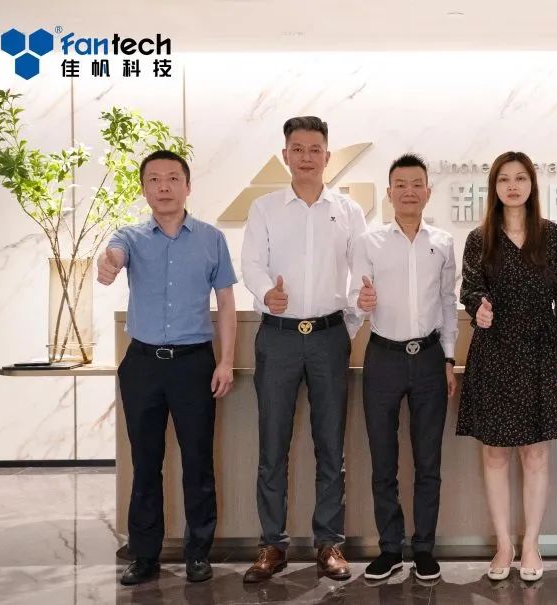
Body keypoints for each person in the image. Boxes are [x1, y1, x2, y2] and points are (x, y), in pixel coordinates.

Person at [97, 149, 237, 586]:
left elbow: (226, 303)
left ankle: (198, 554)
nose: (163, 186)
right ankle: (144, 556)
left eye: (173, 178)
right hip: (142, 365)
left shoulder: (212, 238)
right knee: (145, 463)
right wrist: (108, 263)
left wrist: (226, 361)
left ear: (187, 186)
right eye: (154, 179)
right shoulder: (130, 236)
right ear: (144, 189)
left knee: (198, 463)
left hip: (194, 364)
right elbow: (114, 256)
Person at [240, 116, 366, 582]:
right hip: (278, 337)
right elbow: (251, 262)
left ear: (327, 156)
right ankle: (272, 546)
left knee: (330, 445)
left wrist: (348, 325)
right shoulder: (265, 208)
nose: (307, 157)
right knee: (272, 445)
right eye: (298, 148)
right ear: (285, 155)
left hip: (330, 338)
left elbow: (362, 270)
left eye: (315, 149)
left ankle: (329, 544)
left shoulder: (348, 210)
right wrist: (264, 294)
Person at [457, 151, 557, 582]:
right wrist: (478, 306)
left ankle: (531, 543)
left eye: (520, 178)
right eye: (504, 179)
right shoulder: (480, 238)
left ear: (532, 185)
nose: (512, 186)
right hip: (494, 352)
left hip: (541, 352)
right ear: (494, 187)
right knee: (494, 453)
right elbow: (470, 289)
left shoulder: (553, 236)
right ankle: (503, 544)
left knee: (536, 453)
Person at [349, 154, 458, 581]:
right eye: (401, 185)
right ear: (389, 192)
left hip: (430, 358)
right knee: (383, 461)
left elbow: (448, 303)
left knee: (429, 461)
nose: (409, 191)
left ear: (428, 192)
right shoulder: (369, 242)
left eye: (417, 184)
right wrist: (361, 303)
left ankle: (424, 548)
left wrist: (449, 357)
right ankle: (390, 548)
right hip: (383, 358)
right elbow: (355, 298)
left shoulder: (443, 242)